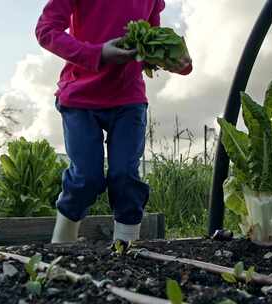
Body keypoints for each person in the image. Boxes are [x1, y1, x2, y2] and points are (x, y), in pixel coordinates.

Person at [35, 0, 193, 244]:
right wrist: (97, 54)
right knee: (86, 179)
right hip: (80, 97)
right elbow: (46, 30)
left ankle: (126, 255)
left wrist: (173, 59)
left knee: (125, 178)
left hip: (128, 99)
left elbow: (149, 41)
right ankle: (60, 251)